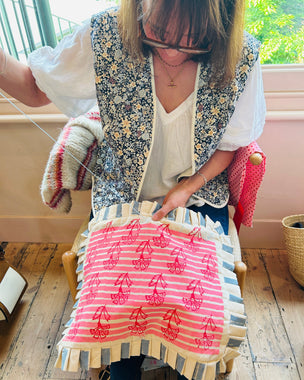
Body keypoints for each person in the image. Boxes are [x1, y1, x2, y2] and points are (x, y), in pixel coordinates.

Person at [0, 0, 266, 378]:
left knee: (198, 315)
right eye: (158, 32)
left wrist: (187, 188)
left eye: (191, 41)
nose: (173, 52)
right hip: (121, 196)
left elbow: (229, 146)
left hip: (199, 197)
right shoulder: (105, 34)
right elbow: (31, 87)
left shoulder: (241, 55)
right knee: (117, 313)